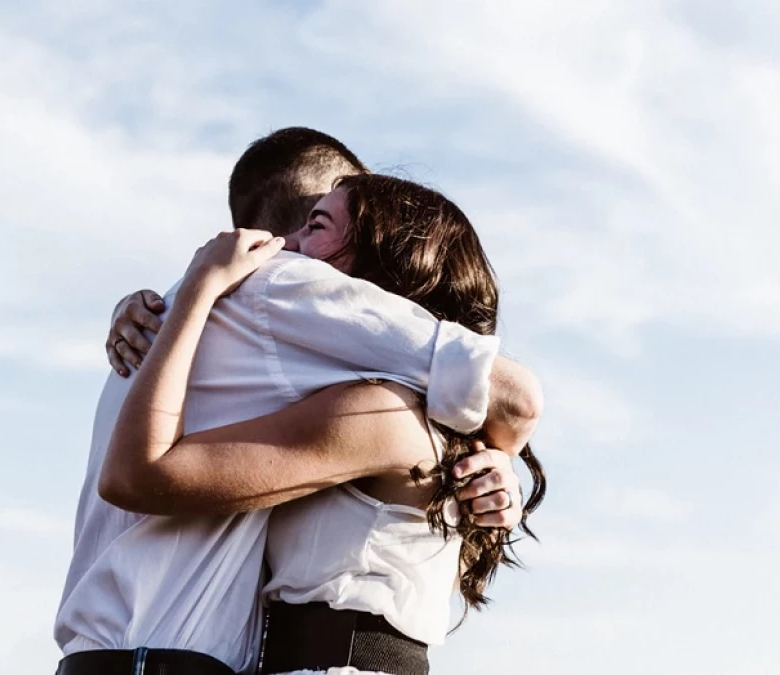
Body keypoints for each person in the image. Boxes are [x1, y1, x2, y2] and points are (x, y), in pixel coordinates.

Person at [54, 128, 542, 675]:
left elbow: (514, 400)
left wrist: (496, 457)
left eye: (320, 228)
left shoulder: (384, 412)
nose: (289, 253)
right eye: (313, 221)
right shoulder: (278, 314)